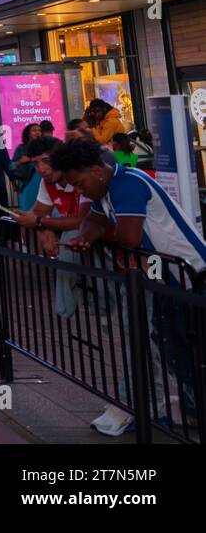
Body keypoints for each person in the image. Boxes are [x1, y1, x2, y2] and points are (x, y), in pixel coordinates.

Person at [49, 137, 206, 435]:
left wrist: (102, 235)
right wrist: (86, 237)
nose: (79, 191)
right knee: (172, 346)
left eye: (79, 183)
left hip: (190, 276)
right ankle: (191, 409)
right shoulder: (107, 189)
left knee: (191, 347)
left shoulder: (128, 185)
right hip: (163, 277)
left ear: (96, 171)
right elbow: (93, 221)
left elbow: (130, 238)